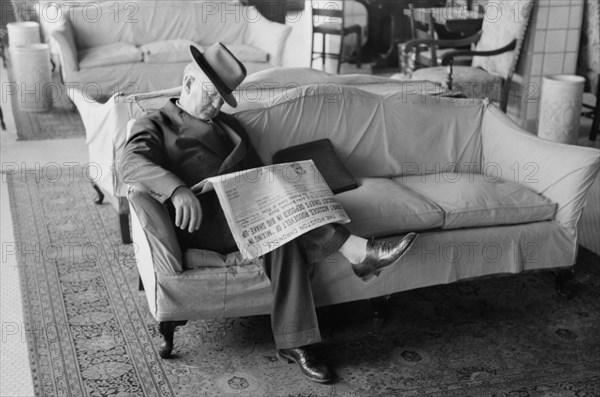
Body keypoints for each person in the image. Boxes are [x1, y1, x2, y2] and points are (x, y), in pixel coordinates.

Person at [121, 42, 417, 383]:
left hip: (249, 215)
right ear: (187, 83)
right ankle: (357, 250)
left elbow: (260, 178)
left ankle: (297, 343)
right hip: (202, 221)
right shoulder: (154, 124)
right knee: (278, 214)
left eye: (223, 97)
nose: (216, 104)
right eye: (211, 94)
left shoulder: (231, 127)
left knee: (284, 232)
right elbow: (130, 163)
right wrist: (176, 189)